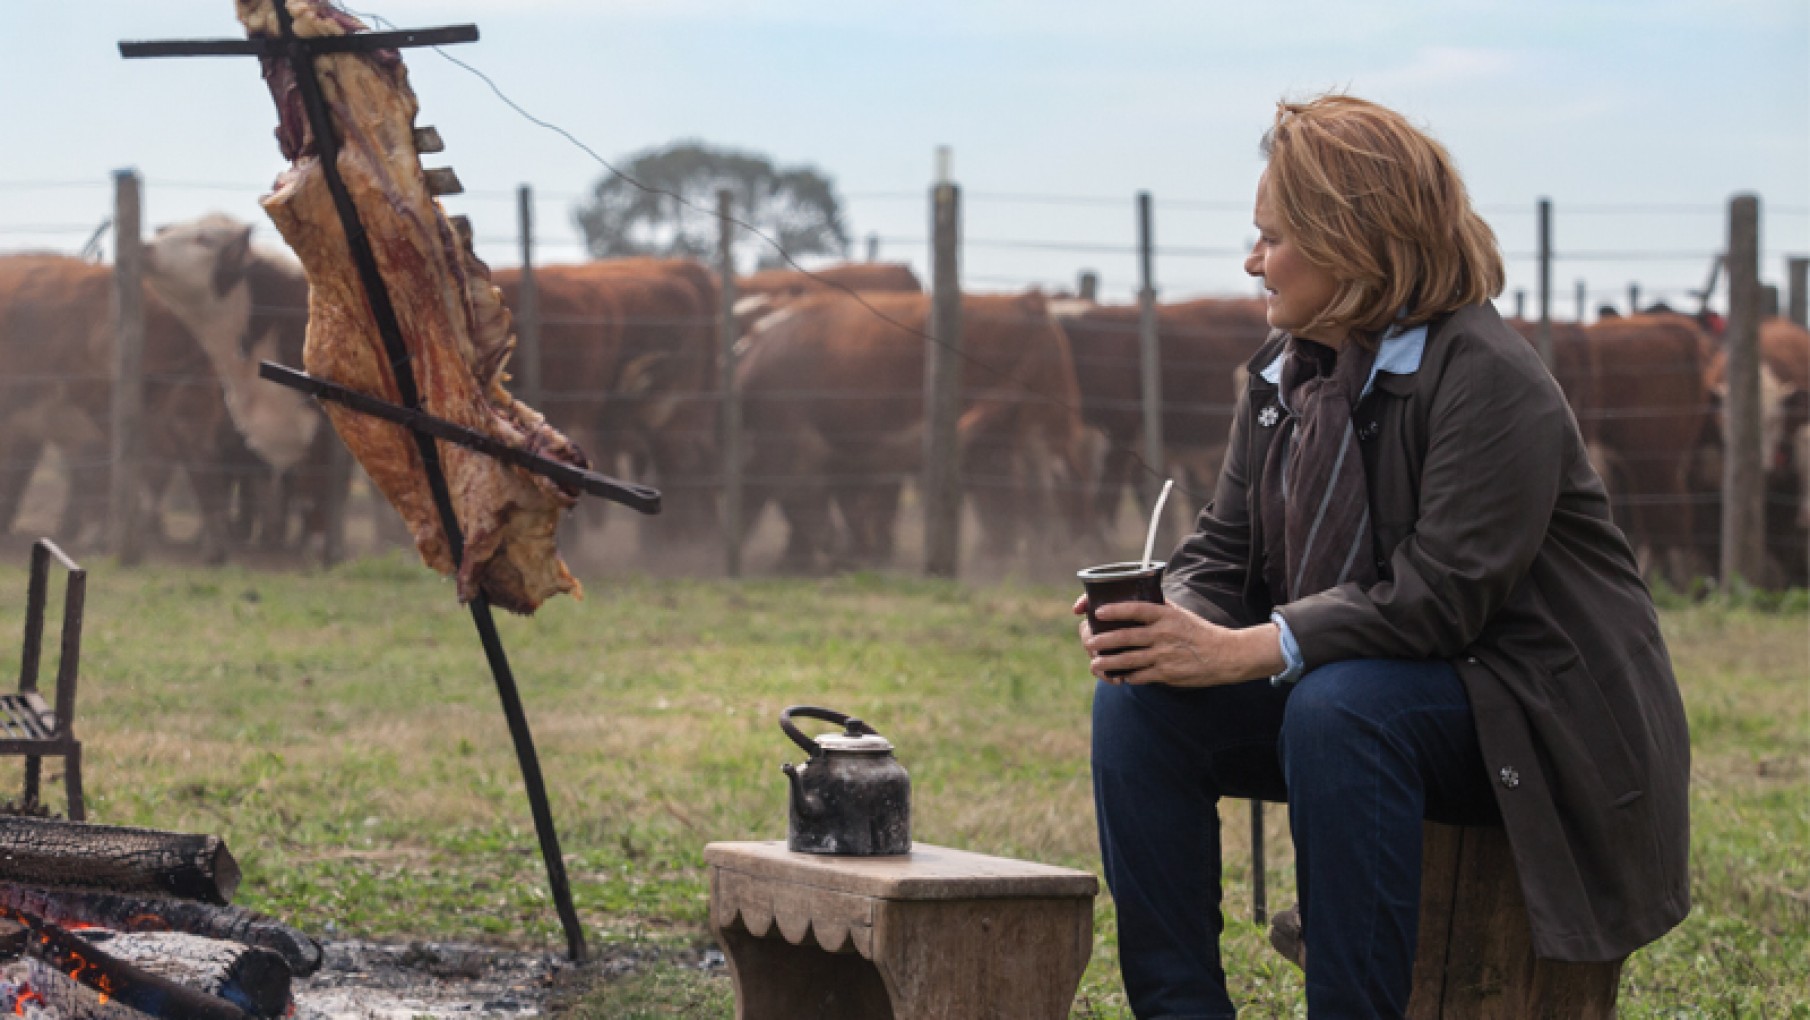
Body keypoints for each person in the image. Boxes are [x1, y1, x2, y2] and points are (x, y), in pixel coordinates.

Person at [1075, 94, 1690, 1019]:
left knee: (1342, 708)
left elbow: (1443, 596)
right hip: (1373, 695)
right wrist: (1168, 625)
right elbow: (1223, 552)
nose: (1251, 262)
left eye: (1272, 238)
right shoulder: (1284, 374)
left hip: (1531, 717)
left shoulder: (1489, 376)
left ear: (1351, 240)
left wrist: (1247, 649)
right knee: (1139, 700)